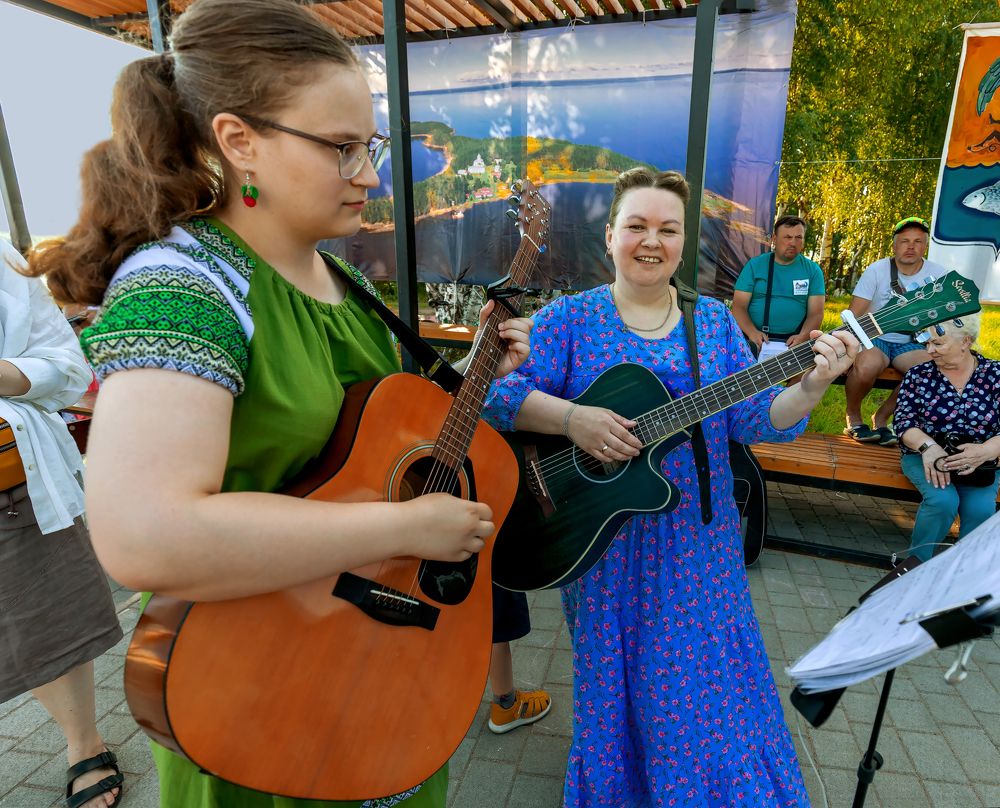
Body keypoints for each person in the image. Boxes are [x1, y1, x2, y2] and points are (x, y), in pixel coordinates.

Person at [25, 1, 533, 806]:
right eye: (342, 148)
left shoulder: (349, 285)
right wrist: (405, 527)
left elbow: (376, 439)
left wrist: (475, 376)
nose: (369, 173)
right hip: (261, 695)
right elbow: (145, 538)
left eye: (371, 147)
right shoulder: (183, 286)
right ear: (239, 141)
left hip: (385, 670)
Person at [482, 167, 859, 806]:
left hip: (698, 542)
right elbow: (498, 395)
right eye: (636, 226)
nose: (651, 241)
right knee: (620, 678)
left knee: (705, 685)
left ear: (683, 243)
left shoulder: (711, 323)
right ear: (610, 237)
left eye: (667, 229)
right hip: (604, 543)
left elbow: (751, 416)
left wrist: (813, 387)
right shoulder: (569, 319)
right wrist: (576, 419)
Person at [0, 238, 124, 808]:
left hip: (9, 478)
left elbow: (67, 370)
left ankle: (82, 742)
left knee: (45, 612)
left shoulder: (3, 260)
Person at [894, 315, 1000, 563]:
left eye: (938, 344)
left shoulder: (995, 374)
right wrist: (929, 447)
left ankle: (963, 573)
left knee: (980, 509)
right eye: (927, 343)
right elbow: (903, 423)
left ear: (966, 341)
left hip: (982, 463)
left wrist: (987, 449)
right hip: (925, 456)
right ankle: (915, 564)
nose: (930, 350)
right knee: (943, 501)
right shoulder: (919, 376)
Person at [843, 216, 949, 447]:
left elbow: (946, 317)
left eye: (917, 241)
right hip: (875, 337)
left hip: (912, 341)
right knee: (867, 367)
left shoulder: (938, 274)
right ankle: (853, 417)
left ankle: (882, 418)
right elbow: (855, 314)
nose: (910, 247)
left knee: (929, 370)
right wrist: (848, 346)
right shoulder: (877, 270)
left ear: (925, 246)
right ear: (894, 245)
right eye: (904, 241)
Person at [731, 215, 825, 362]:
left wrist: (802, 337)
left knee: (805, 379)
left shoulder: (812, 270)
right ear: (774, 239)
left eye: (798, 237)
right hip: (755, 340)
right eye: (787, 237)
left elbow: (816, 313)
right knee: (746, 379)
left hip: (795, 341)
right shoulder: (755, 266)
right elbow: (738, 307)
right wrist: (752, 333)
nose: (793, 243)